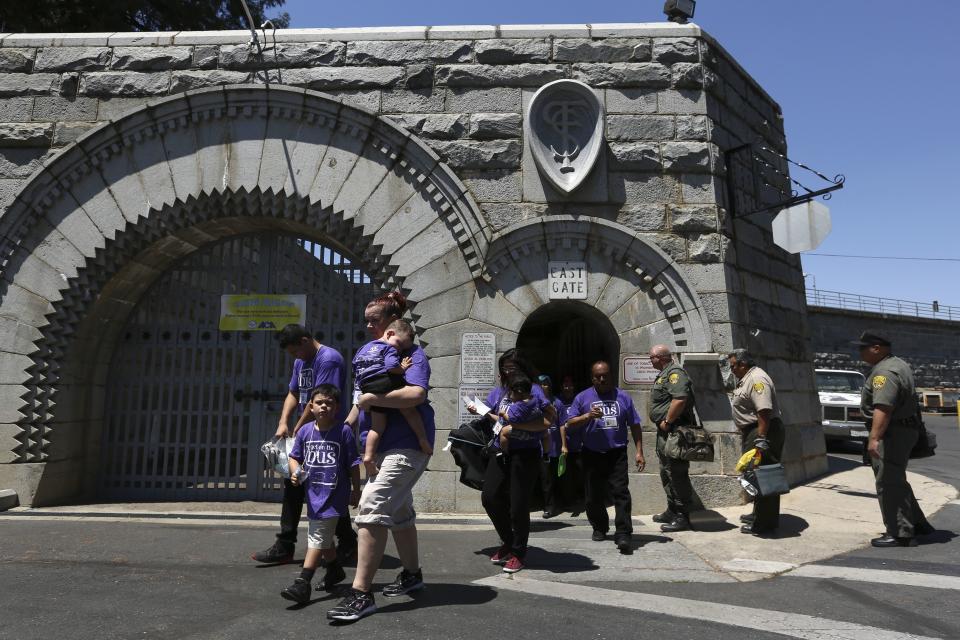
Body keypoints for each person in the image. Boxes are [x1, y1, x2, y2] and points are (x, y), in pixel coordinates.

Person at [327, 291, 434, 623]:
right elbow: (361, 400)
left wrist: (372, 400)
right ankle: (412, 574)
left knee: (371, 508)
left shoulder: (412, 354)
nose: (369, 325)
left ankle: (361, 594)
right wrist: (348, 425)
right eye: (367, 319)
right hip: (380, 446)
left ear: (392, 322)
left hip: (406, 445)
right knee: (399, 512)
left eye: (375, 320)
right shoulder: (369, 354)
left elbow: (415, 394)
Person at [252, 324, 357, 565]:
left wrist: (299, 429)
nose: (295, 357)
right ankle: (287, 544)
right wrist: (282, 421)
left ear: (305, 340)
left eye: (295, 351)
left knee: (327, 488)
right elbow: (293, 392)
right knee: (297, 484)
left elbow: (319, 401)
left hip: (326, 435)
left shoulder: (328, 359)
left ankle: (344, 541)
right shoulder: (301, 361)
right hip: (310, 433)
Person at [470, 348, 555, 574]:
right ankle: (508, 541)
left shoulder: (534, 390)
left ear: (522, 369)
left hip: (525, 453)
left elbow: (549, 420)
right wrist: (479, 410)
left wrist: (516, 426)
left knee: (518, 505)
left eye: (512, 368)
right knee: (489, 497)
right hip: (500, 451)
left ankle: (518, 552)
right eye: (504, 368)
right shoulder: (500, 392)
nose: (507, 373)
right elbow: (492, 414)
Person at [281, 385, 361, 603]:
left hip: (335, 496)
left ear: (336, 408)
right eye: (319, 402)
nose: (324, 406)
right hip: (313, 494)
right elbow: (294, 456)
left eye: (329, 403)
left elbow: (354, 463)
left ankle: (302, 583)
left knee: (317, 535)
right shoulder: (305, 431)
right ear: (311, 406)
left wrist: (356, 490)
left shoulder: (343, 431)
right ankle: (334, 569)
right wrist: (295, 471)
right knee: (323, 537)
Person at [853, 331, 934, 548]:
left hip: (891, 434)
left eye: (863, 348)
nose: (859, 352)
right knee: (896, 479)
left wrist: (874, 438)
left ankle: (901, 533)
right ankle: (917, 523)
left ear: (877, 348)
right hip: (901, 431)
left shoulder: (885, 373)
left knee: (888, 482)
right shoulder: (898, 364)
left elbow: (883, 408)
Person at [564, 361, 644, 553]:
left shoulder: (623, 397)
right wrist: (587, 416)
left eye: (605, 375)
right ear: (592, 378)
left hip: (616, 453)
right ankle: (600, 527)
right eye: (598, 376)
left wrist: (639, 451)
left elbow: (634, 425)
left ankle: (624, 533)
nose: (602, 379)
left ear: (611, 375)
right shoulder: (583, 397)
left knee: (621, 492)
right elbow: (570, 423)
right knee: (593, 495)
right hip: (591, 453)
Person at [354, 318, 433, 477]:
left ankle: (368, 457)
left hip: (366, 385)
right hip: (384, 381)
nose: (399, 349)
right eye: (400, 344)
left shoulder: (364, 348)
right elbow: (391, 366)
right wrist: (402, 368)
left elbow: (355, 364)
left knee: (376, 427)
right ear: (389, 334)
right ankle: (423, 439)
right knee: (408, 408)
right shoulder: (389, 348)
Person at [728, 348, 786, 535]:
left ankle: (765, 523)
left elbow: (764, 411)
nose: (732, 370)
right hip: (755, 431)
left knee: (764, 475)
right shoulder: (748, 378)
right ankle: (758, 513)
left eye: (733, 366)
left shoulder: (757, 379)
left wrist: (761, 438)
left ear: (743, 364)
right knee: (754, 475)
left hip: (763, 431)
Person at [648, 345, 698, 533]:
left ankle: (683, 516)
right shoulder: (664, 374)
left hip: (675, 432)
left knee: (676, 473)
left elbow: (680, 398)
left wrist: (667, 421)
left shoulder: (675, 373)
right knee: (666, 471)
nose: (650, 361)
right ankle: (672, 509)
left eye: (651, 357)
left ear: (660, 358)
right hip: (666, 434)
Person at [556, 374, 585, 516]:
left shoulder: (578, 400)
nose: (568, 387)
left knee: (579, 474)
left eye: (570, 384)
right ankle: (565, 501)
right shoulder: (558, 401)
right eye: (565, 384)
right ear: (561, 387)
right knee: (564, 475)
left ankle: (580, 500)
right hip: (563, 446)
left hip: (578, 444)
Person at [537, 374, 564, 519]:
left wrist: (564, 445)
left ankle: (551, 507)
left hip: (553, 448)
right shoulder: (532, 402)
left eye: (546, 384)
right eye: (540, 384)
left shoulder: (557, 403)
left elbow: (562, 425)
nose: (543, 387)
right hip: (536, 447)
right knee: (541, 478)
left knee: (550, 479)